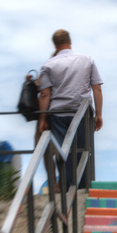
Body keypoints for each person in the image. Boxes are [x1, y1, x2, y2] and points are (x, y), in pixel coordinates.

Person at [36, 29, 103, 194]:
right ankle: (81, 190)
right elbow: (97, 89)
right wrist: (99, 114)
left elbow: (45, 94)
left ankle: (67, 190)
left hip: (57, 115)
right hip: (81, 113)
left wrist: (43, 119)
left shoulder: (48, 65)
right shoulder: (87, 60)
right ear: (70, 41)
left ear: (55, 45)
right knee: (81, 151)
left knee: (62, 152)